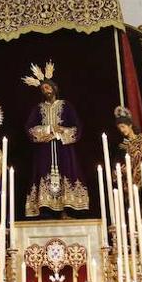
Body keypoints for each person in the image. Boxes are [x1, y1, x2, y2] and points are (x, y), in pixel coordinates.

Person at [22, 61, 89, 216]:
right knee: (43, 174)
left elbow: (77, 127)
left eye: (48, 87)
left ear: (54, 88)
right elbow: (29, 128)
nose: (46, 90)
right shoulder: (38, 108)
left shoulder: (66, 106)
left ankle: (66, 209)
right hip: (44, 149)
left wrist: (61, 133)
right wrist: (48, 129)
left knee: (67, 173)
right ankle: (46, 211)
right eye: (43, 88)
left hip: (63, 148)